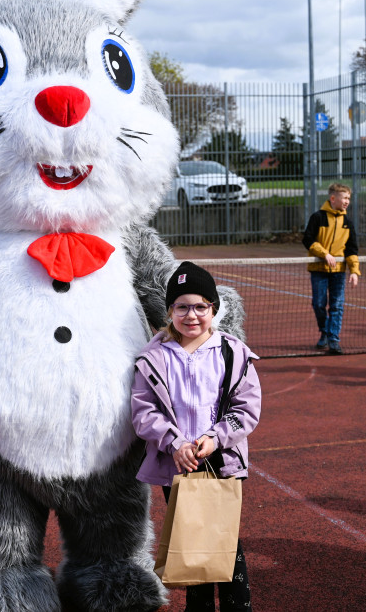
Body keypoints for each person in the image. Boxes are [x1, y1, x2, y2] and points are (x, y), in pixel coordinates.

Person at [132, 261, 261, 612]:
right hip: (177, 464)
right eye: (182, 307)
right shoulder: (153, 357)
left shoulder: (233, 353)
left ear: (213, 309)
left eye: (201, 306)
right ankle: (199, 606)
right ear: (169, 311)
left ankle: (238, 606)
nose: (192, 315)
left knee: (224, 540)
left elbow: (246, 408)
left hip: (221, 460)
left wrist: (216, 438)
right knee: (192, 539)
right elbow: (144, 413)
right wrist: (175, 444)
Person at [302, 183, 360, 355]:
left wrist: (354, 271)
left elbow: (352, 249)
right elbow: (308, 239)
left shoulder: (348, 223)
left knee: (337, 305)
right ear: (333, 198)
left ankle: (333, 339)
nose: (347, 201)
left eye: (349, 198)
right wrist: (324, 254)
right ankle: (325, 332)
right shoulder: (317, 217)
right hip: (318, 269)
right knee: (319, 304)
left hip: (339, 272)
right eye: (344, 198)